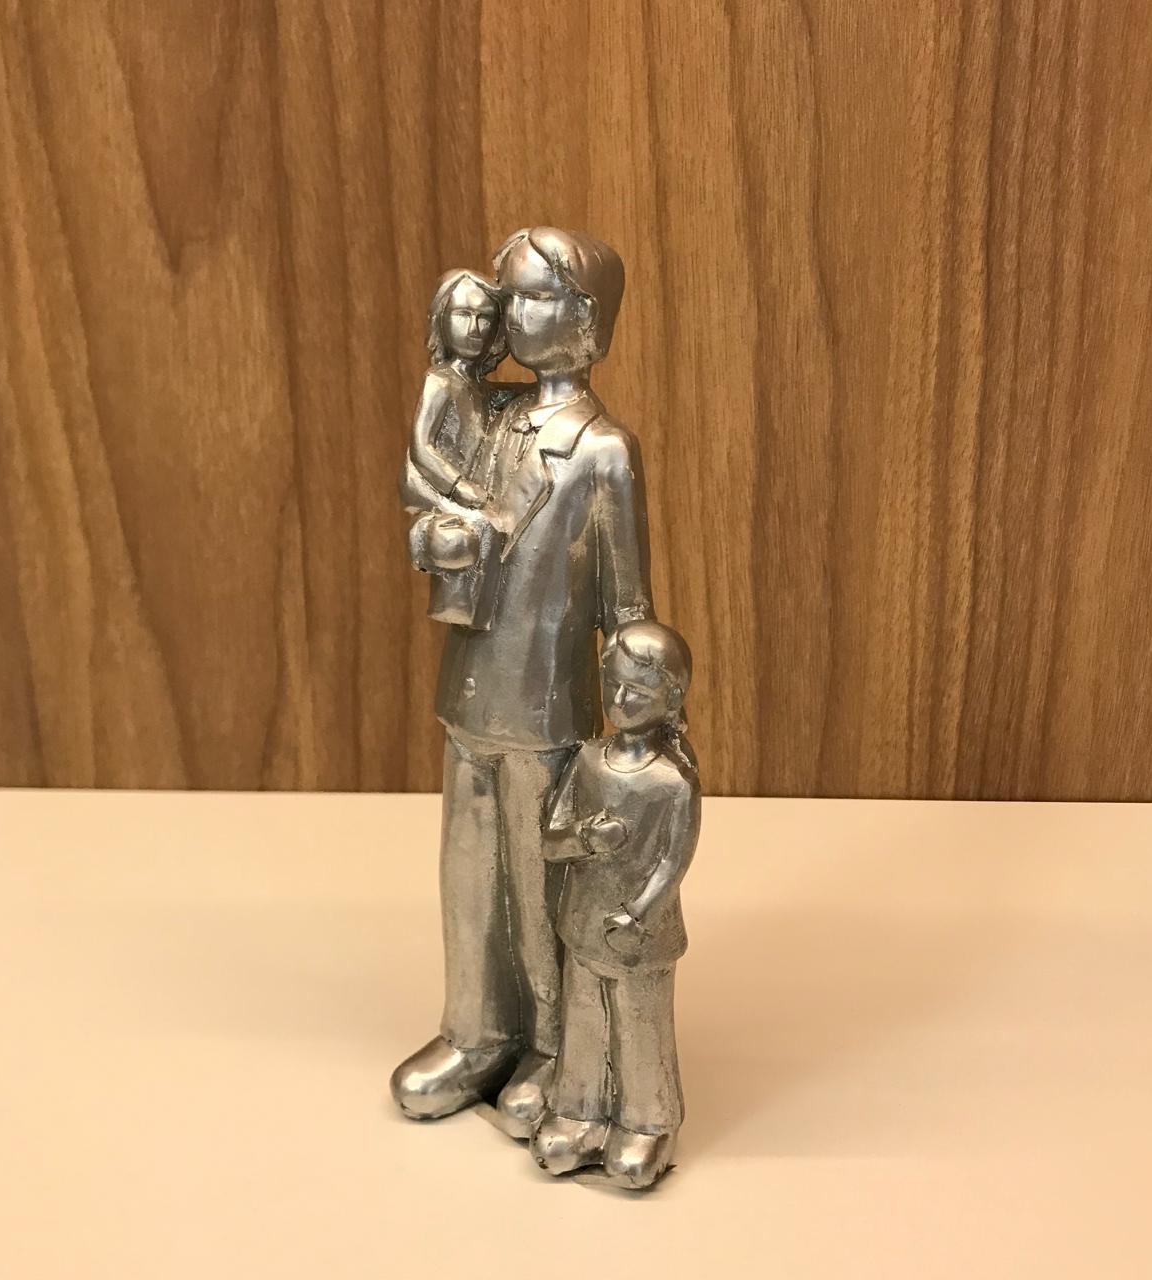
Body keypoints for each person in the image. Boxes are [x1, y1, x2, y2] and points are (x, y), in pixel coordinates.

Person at [391, 229, 654, 1137]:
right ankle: (474, 1029)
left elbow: (628, 605)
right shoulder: (485, 412)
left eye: (533, 295)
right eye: (505, 294)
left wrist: (646, 724)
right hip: (468, 690)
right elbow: (428, 500)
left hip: (547, 710)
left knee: (540, 879)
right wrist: (430, 541)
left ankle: (550, 1043)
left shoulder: (603, 450)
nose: (509, 311)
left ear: (586, 319)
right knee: (467, 872)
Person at [530, 621, 700, 1189]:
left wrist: (640, 914)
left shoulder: (672, 782)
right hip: (582, 922)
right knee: (583, 1020)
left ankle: (647, 1122)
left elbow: (674, 861)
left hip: (637, 935)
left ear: (671, 700)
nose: (621, 701)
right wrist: (584, 838)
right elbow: (550, 841)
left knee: (638, 1025)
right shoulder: (587, 762)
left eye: (639, 692)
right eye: (614, 685)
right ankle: (577, 1112)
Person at [400, 268, 505, 513]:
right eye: (463, 314)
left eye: (485, 317)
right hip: (437, 490)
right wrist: (458, 486)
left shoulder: (480, 387)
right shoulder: (440, 381)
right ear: (442, 318)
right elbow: (421, 447)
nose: (474, 328)